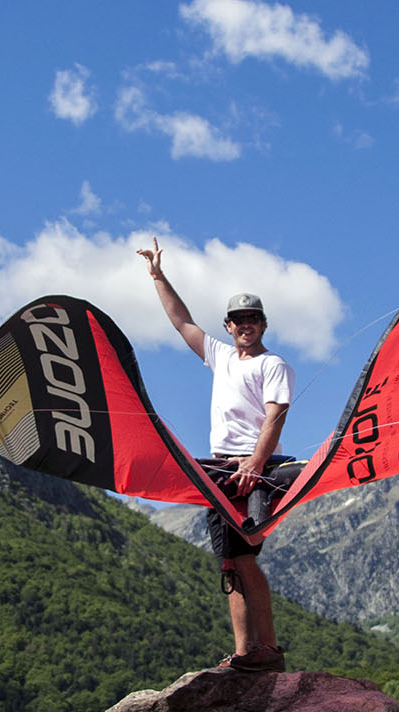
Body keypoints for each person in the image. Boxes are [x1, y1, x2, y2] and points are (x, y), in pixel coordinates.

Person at [138, 237, 293, 673]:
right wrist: (157, 275)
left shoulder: (273, 364)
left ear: (263, 324)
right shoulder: (222, 357)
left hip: (253, 467)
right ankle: (246, 654)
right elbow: (180, 321)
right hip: (220, 467)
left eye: (253, 319)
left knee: (246, 555)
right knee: (229, 563)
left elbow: (275, 417)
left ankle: (268, 650)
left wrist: (256, 464)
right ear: (228, 325)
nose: (246, 325)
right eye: (238, 319)